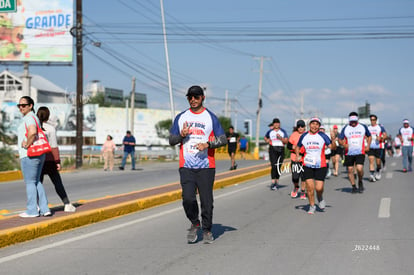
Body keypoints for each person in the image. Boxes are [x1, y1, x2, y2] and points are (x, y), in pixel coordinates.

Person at [169, 85, 227, 244]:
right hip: (186, 165)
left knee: (207, 200)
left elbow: (223, 139)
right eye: (190, 97)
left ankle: (207, 229)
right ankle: (195, 222)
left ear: (203, 98)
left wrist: (207, 144)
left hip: (206, 166)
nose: (193, 100)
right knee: (188, 198)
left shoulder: (210, 117)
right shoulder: (181, 117)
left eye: (196, 97)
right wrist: (181, 135)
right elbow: (171, 141)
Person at [37, 106, 76, 212]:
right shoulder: (50, 129)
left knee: (37, 183)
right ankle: (67, 203)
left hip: (37, 160)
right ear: (48, 116)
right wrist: (57, 161)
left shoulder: (34, 127)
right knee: (57, 182)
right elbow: (54, 147)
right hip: (49, 160)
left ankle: (37, 205)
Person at [17, 96, 51, 217]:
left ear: (31, 106)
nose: (21, 107)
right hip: (39, 154)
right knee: (36, 182)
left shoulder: (29, 117)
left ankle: (32, 210)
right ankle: (44, 208)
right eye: (19, 105)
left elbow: (32, 132)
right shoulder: (34, 117)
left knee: (30, 182)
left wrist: (26, 144)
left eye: (24, 105)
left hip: (29, 154)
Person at [295, 117, 335, 214]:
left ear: (319, 126)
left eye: (317, 124)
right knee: (310, 188)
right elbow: (297, 147)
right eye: (313, 124)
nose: (315, 126)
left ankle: (320, 198)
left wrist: (333, 139)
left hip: (320, 165)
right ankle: (312, 206)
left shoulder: (323, 136)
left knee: (319, 188)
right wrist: (298, 155)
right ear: (309, 125)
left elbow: (333, 147)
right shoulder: (304, 136)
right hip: (307, 165)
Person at [339, 112, 371, 193]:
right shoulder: (346, 128)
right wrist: (343, 144)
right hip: (349, 153)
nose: (353, 123)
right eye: (351, 121)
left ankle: (360, 181)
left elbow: (369, 136)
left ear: (357, 120)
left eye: (355, 121)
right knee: (350, 170)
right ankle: (353, 186)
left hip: (360, 151)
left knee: (359, 169)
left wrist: (368, 146)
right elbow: (340, 139)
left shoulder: (363, 127)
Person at [264, 118, 289, 190]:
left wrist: (281, 138)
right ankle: (273, 182)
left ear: (279, 124)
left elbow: (286, 141)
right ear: (273, 124)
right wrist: (267, 140)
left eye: (277, 123)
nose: (276, 124)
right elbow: (265, 138)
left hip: (281, 149)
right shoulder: (270, 131)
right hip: (273, 149)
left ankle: (277, 181)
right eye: (275, 123)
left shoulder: (283, 131)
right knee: (273, 165)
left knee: (278, 166)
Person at [287, 119, 306, 199]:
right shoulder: (294, 135)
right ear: (297, 127)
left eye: (302, 126)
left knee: (304, 177)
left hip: (304, 158)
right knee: (295, 177)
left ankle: (302, 192)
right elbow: (288, 145)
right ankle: (296, 187)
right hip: (295, 158)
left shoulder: (307, 135)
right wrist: (293, 147)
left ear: (305, 127)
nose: (300, 128)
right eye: (299, 126)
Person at [367, 114, 387, 181]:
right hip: (370, 146)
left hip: (378, 147)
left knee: (378, 162)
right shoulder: (368, 128)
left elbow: (385, 136)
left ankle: (378, 171)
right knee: (371, 161)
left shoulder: (380, 127)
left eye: (373, 120)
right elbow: (365, 136)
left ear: (376, 120)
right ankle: (372, 175)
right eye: (371, 120)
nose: (372, 121)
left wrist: (380, 138)